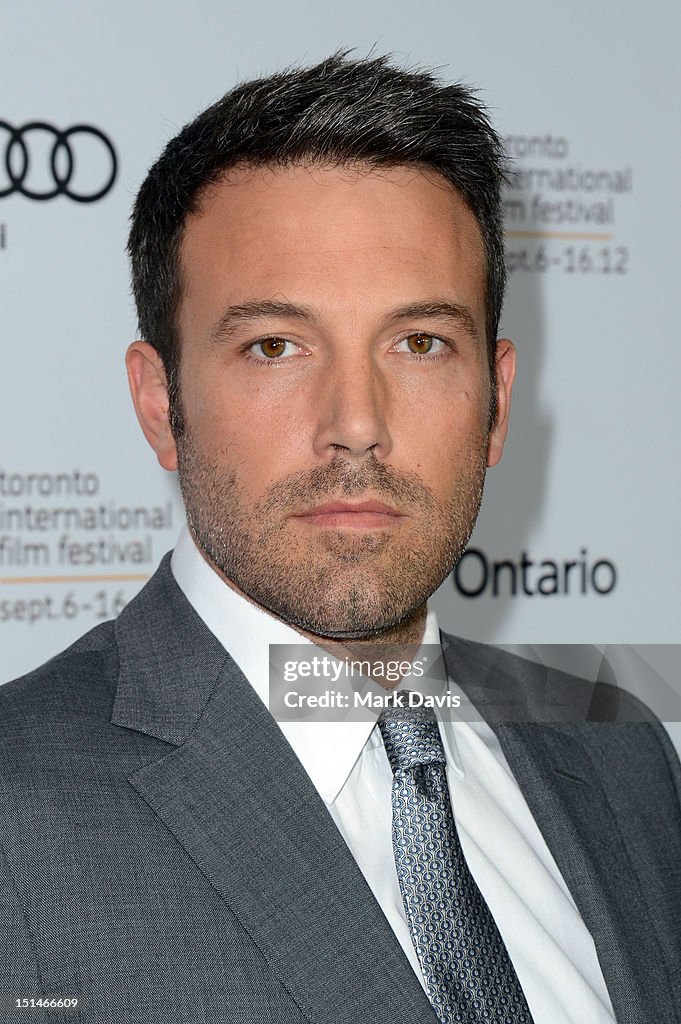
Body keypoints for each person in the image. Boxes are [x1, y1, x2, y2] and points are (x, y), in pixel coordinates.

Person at [1, 51, 680, 1024]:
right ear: (160, 402)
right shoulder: (16, 816)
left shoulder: (618, 755)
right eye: (275, 345)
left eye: (420, 343)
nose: (356, 420)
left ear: (496, 402)